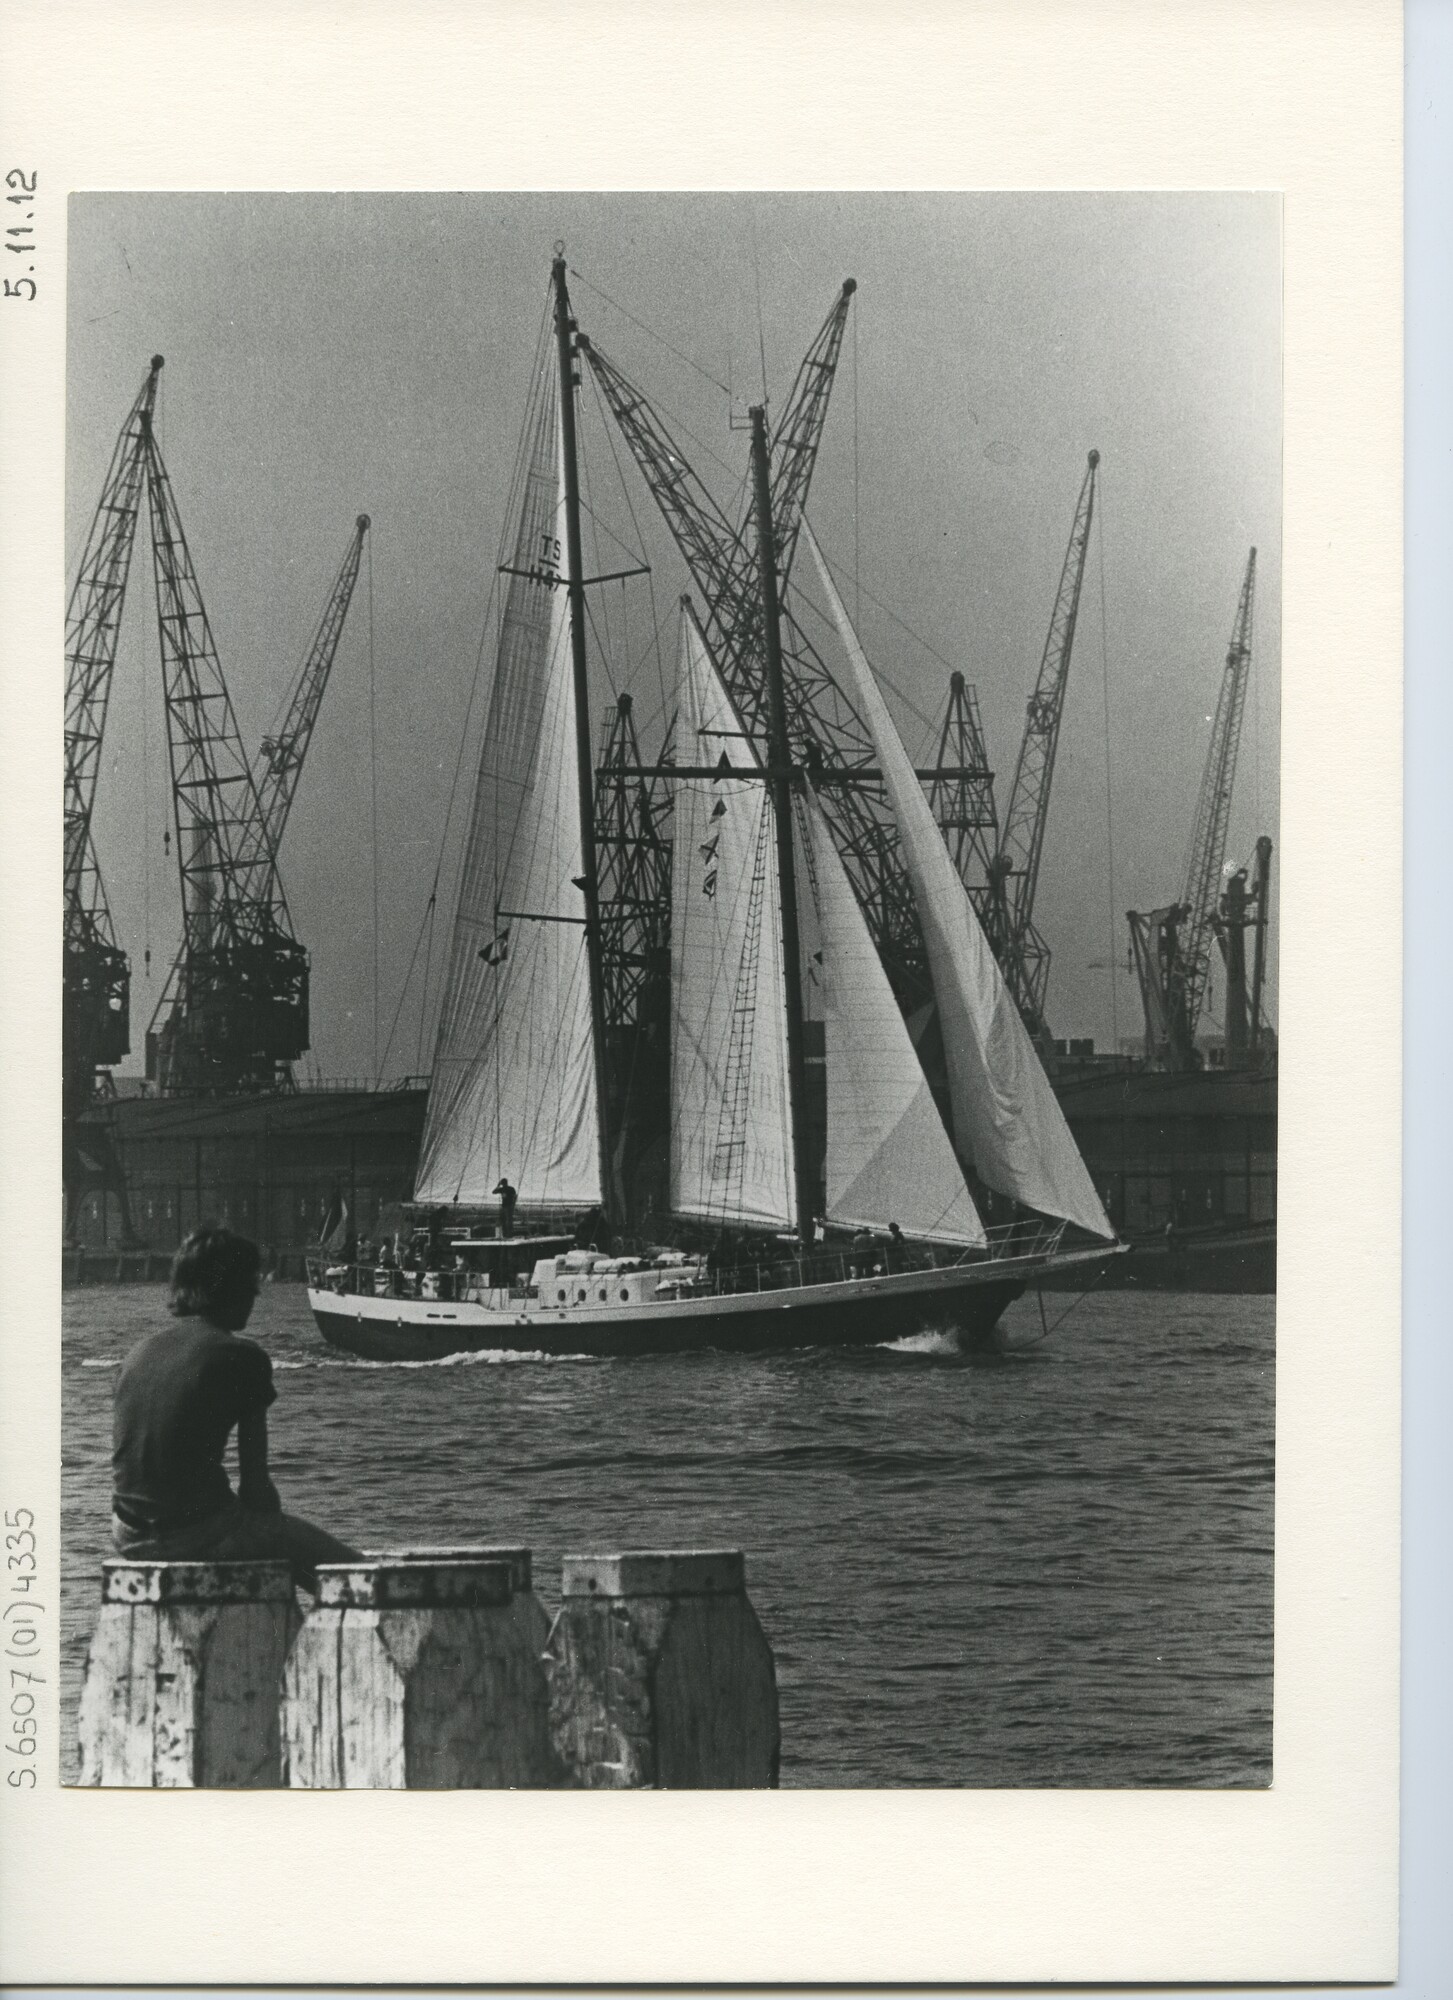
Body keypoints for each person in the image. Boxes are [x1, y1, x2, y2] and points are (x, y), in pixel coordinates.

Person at [111, 1226, 362, 1593]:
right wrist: (277, 1536)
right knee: (353, 1576)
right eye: (250, 1282)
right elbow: (256, 1487)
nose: (257, 1292)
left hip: (128, 1534)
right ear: (230, 1288)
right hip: (196, 1534)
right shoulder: (243, 1356)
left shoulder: (136, 1356)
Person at [493, 1175, 518, 1240]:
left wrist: (498, 1185)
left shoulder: (506, 1189)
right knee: (505, 1220)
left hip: (508, 1206)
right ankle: (507, 1234)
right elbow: (494, 1192)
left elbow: (494, 1191)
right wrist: (514, 1204)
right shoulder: (508, 1189)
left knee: (507, 1220)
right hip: (505, 1206)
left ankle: (508, 1234)